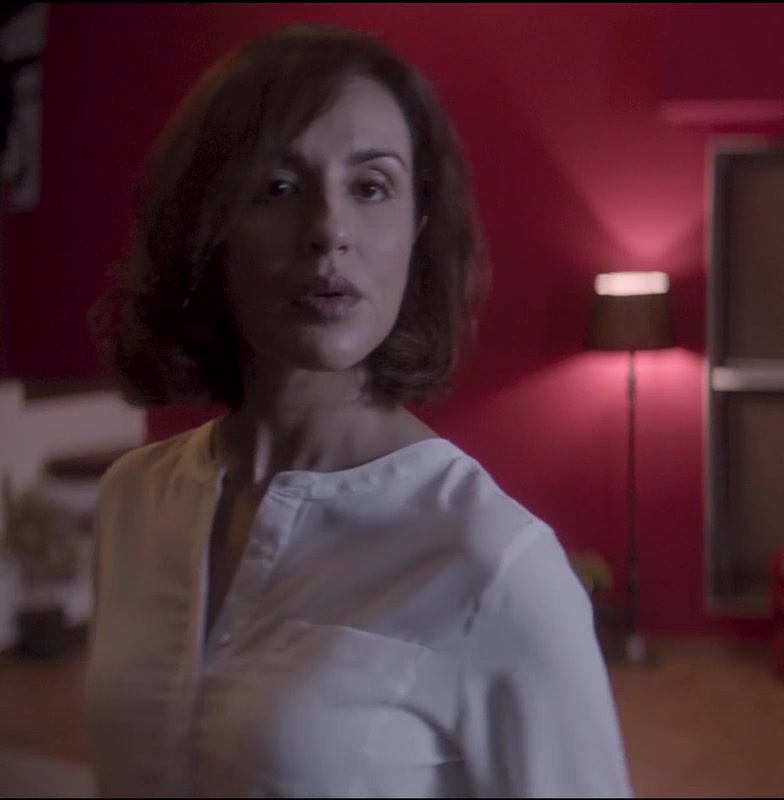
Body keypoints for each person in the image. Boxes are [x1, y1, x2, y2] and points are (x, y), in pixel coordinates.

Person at [82, 24, 632, 797]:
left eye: (371, 188)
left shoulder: (492, 564)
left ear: (417, 228)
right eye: (278, 187)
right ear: (207, 226)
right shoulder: (133, 500)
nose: (329, 232)